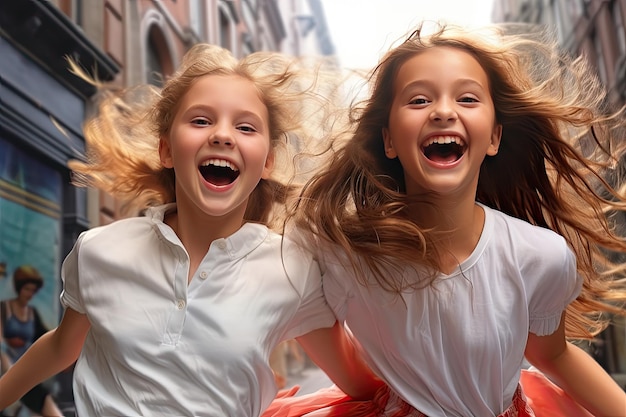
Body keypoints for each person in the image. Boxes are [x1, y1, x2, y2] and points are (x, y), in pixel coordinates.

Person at [0, 44, 381, 416]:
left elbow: (362, 384)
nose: (222, 135)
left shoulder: (292, 268)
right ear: (167, 151)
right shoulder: (99, 249)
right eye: (201, 120)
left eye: (246, 126)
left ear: (267, 162)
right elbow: (61, 347)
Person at [286, 23, 626, 416]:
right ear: (389, 141)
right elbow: (353, 377)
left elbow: (556, 356)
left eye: (467, 98)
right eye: (418, 100)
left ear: (494, 137)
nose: (444, 111)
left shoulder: (540, 255)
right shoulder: (341, 254)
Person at [1, 265, 63, 417]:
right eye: (27, 289)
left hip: (25, 367)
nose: (30, 294)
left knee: (43, 400)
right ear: (19, 288)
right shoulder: (4, 308)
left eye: (33, 290)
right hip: (6, 366)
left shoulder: (32, 313)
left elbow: (44, 338)